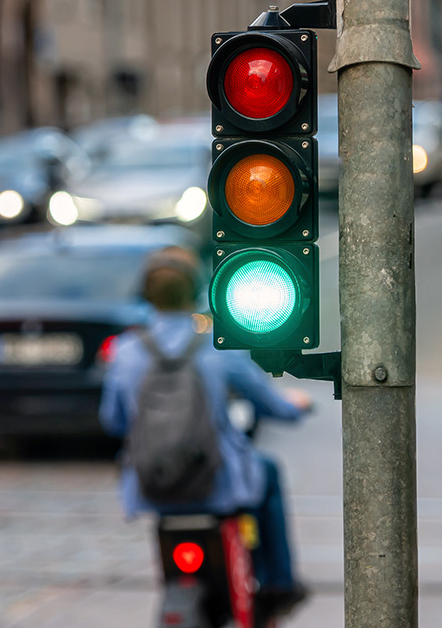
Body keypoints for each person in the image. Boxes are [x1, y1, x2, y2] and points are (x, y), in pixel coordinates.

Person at [99, 245, 312, 617]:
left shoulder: (126, 350)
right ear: (198, 290)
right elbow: (271, 406)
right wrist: (297, 406)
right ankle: (279, 583)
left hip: (152, 488)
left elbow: (113, 421)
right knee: (269, 471)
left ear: (146, 294)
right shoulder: (218, 344)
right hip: (218, 484)